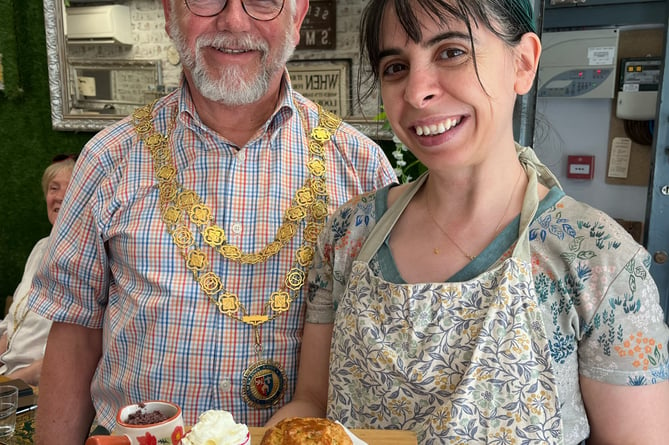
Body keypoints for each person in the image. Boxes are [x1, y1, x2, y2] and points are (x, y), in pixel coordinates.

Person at [267, 0, 669, 443]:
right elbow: (312, 403)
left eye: (451, 52)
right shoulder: (348, 234)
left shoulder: (599, 262)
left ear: (523, 62)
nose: (417, 91)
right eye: (396, 67)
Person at [28, 0, 396, 443]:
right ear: (169, 14)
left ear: (297, 18)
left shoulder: (361, 168)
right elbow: (75, 330)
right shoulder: (109, 159)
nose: (234, 21)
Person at [0, 154, 75, 386]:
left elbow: (71, 353)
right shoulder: (41, 246)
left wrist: (9, 384)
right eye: (54, 188)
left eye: (70, 188)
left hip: (38, 384)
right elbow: (12, 323)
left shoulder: (87, 256)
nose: (60, 196)